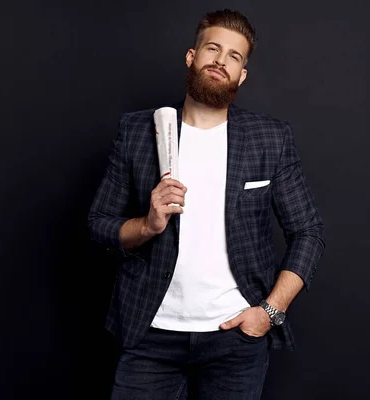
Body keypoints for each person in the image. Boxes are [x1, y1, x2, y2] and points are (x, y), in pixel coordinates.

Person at [88, 8, 325, 400]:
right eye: (212, 48)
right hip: (151, 334)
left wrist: (269, 313)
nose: (221, 60)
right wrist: (147, 225)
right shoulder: (136, 131)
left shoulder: (270, 138)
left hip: (236, 339)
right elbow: (99, 225)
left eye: (234, 56)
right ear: (191, 57)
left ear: (242, 75)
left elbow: (308, 232)